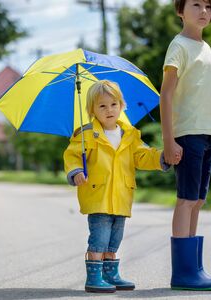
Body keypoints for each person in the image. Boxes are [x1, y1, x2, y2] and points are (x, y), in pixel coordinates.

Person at [159, 0, 211, 291]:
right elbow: (166, 95)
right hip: (187, 136)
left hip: (207, 135)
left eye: (208, 5)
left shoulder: (205, 49)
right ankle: (182, 272)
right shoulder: (178, 46)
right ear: (180, 11)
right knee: (186, 200)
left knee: (198, 200)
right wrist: (168, 140)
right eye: (195, 4)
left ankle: (194, 267)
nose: (204, 11)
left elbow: (200, 95)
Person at [64, 80, 168, 293]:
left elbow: (142, 156)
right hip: (98, 194)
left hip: (121, 195)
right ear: (92, 110)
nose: (109, 110)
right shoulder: (85, 135)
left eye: (113, 104)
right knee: (99, 237)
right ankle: (94, 276)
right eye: (102, 106)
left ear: (122, 105)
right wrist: (76, 171)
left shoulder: (129, 134)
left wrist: (161, 158)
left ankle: (110, 273)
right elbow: (72, 156)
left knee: (115, 238)